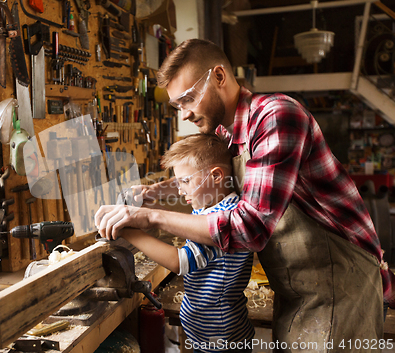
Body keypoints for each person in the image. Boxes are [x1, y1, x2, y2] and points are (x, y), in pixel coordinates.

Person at [95, 39, 394, 351]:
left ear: (219, 77)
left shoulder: (275, 117)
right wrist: (156, 192)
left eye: (188, 99)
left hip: (339, 284)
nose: (184, 114)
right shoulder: (229, 134)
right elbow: (224, 178)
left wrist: (148, 216)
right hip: (299, 289)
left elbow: (250, 227)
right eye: (177, 105)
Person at [121, 133, 254, 353]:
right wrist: (146, 211)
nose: (180, 190)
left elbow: (180, 261)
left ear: (216, 176)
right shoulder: (210, 205)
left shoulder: (224, 217)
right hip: (205, 330)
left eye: (185, 181)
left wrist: (128, 231)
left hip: (220, 336)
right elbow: (189, 223)